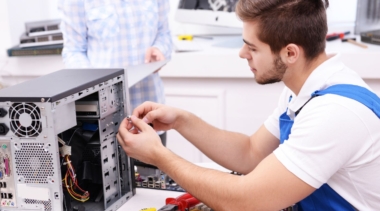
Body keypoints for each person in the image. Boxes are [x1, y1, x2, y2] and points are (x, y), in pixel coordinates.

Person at [117, 0, 380, 210]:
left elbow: (245, 202)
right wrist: (181, 121)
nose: (243, 54)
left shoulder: (335, 113)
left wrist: (158, 156)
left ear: (290, 53)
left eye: (251, 48)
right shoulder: (304, 89)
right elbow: (251, 153)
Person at [58, 0, 172, 145]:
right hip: (106, 122)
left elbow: (165, 34)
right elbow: (73, 51)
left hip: (151, 117)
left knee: (153, 168)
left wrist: (160, 49)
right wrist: (94, 84)